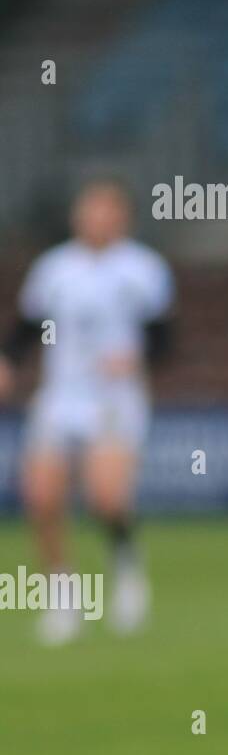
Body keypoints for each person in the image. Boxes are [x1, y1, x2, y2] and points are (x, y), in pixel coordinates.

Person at [0, 179, 174, 644]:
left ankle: (126, 566)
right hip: (61, 395)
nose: (97, 218)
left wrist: (135, 359)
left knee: (107, 498)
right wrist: (9, 364)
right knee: (41, 499)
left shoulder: (143, 269)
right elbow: (26, 329)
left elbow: (163, 340)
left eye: (106, 210)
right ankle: (63, 596)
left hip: (115, 398)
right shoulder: (53, 269)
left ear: (123, 216)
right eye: (90, 209)